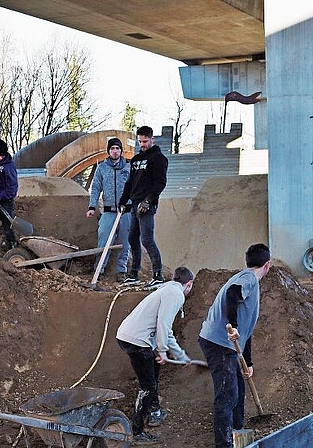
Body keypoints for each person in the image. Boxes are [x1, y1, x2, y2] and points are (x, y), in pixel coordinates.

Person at [198, 243, 271, 448]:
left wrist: (247, 362)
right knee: (227, 394)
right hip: (218, 342)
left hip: (224, 342)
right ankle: (225, 444)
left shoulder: (247, 279)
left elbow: (246, 332)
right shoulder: (249, 278)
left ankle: (237, 432)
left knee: (238, 386)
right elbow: (232, 294)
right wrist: (233, 325)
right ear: (267, 265)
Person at [116, 266, 195, 443]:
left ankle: (155, 411)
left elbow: (166, 331)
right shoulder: (176, 294)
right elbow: (164, 326)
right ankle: (136, 431)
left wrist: (177, 354)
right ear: (189, 284)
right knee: (148, 386)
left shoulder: (167, 289)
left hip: (129, 336)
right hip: (136, 341)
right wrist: (162, 350)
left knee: (154, 369)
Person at [119, 125, 168, 289]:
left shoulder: (159, 158)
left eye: (145, 141)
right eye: (140, 141)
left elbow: (160, 183)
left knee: (147, 239)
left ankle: (158, 275)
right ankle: (134, 274)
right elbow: (130, 183)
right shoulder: (136, 160)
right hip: (134, 204)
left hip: (147, 205)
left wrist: (148, 201)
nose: (143, 144)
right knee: (133, 238)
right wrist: (123, 201)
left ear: (152, 139)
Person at [86, 137, 131, 282]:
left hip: (126, 211)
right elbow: (96, 188)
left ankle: (121, 270)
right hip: (109, 211)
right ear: (109, 151)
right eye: (112, 148)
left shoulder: (129, 167)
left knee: (125, 242)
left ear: (121, 151)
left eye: (117, 148)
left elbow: (136, 187)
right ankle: (99, 268)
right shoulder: (102, 168)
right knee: (104, 238)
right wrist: (92, 206)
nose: (115, 151)